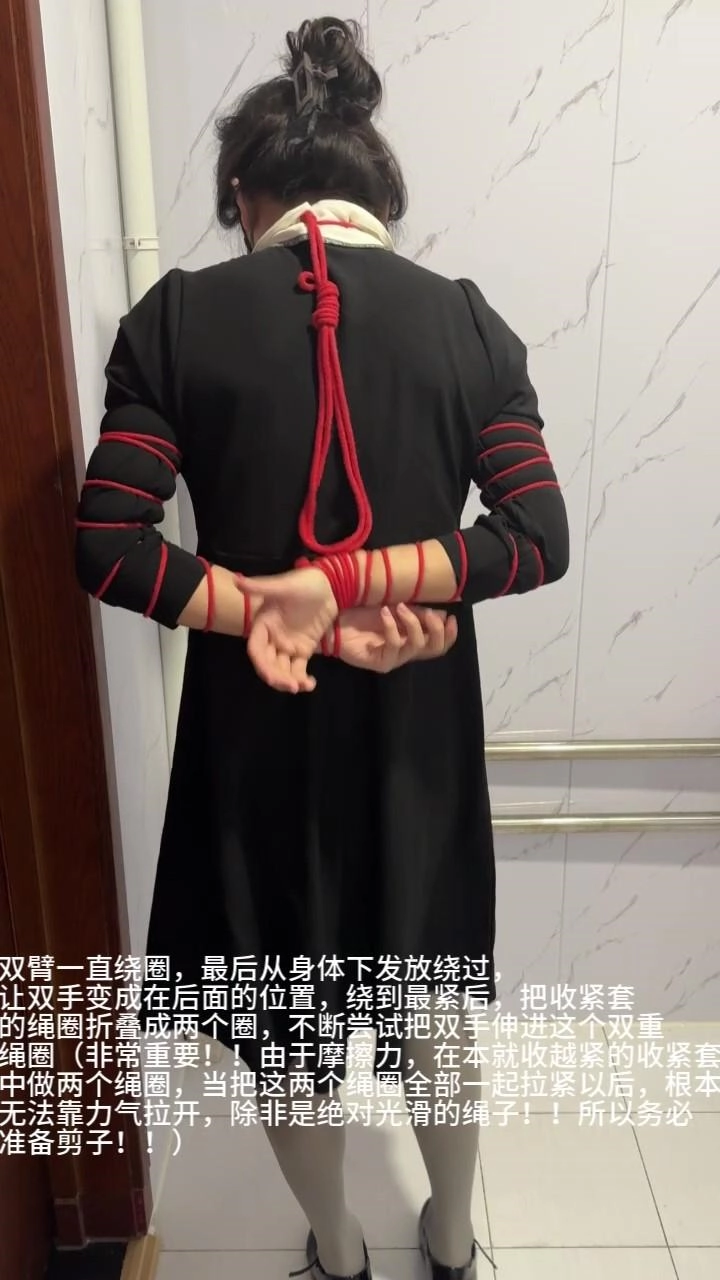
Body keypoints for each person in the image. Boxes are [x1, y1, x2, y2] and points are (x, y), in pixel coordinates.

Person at [75, 17, 569, 1280]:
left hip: (256, 726)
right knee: (434, 988)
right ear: (374, 198)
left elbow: (110, 545)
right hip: (419, 728)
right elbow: (534, 537)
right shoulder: (467, 324)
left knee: (283, 1018)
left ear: (247, 198)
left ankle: (339, 1252)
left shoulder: (177, 320)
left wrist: (277, 603)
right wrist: (362, 587)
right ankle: (449, 1235)